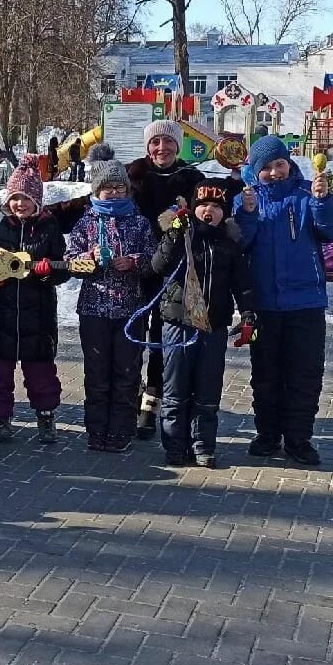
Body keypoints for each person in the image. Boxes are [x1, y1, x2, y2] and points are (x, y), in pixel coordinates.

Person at [236, 135, 333, 466]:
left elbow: (331, 232)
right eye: (265, 167)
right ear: (255, 170)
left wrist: (322, 202)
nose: (274, 172)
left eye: (279, 164)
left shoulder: (307, 193)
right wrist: (248, 214)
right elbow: (241, 243)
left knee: (304, 374)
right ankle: (267, 435)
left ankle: (299, 438)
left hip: (306, 303)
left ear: (288, 162)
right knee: (266, 374)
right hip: (264, 305)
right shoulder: (248, 199)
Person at [150, 178, 254, 470]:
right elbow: (156, 266)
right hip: (178, 323)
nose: (210, 211)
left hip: (213, 325)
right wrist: (173, 235)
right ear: (194, 208)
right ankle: (174, 445)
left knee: (207, 389)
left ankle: (202, 445)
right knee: (175, 388)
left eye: (216, 206)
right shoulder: (180, 236)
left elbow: (242, 284)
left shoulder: (229, 244)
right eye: (204, 205)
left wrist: (248, 314)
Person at [66, 147, 156, 453]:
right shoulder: (86, 223)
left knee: (127, 373)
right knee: (97, 372)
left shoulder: (140, 223)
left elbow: (154, 261)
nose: (114, 193)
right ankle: (96, 430)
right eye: (107, 188)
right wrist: (87, 260)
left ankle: (121, 429)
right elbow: (69, 262)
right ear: (96, 190)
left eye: (119, 187)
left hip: (130, 309)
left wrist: (134, 262)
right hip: (93, 308)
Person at [0, 158, 68, 445]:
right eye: (16, 198)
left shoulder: (49, 229)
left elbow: (62, 269)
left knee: (41, 372)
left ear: (37, 201)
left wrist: (47, 272)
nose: (20, 204)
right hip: (3, 316)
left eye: (26, 198)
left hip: (38, 317)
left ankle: (45, 415)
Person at [128, 119, 206, 442]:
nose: (162, 148)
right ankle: (129, 394)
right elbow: (102, 201)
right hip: (135, 267)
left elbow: (212, 208)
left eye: (169, 142)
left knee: (162, 337)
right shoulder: (133, 175)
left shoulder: (191, 178)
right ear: (148, 147)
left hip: (172, 272)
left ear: (178, 145)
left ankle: (152, 400)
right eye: (155, 142)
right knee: (132, 334)